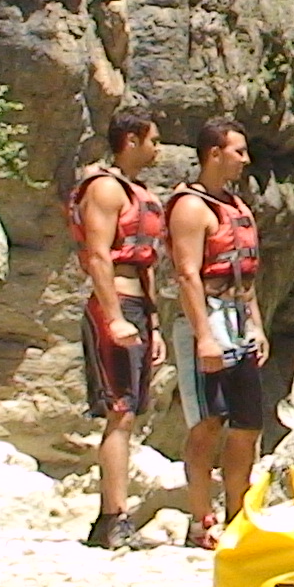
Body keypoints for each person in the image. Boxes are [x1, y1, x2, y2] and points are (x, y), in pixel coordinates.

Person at [166, 118, 266, 549]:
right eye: (238, 151)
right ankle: (199, 519)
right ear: (214, 154)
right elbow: (187, 273)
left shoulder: (238, 208)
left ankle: (238, 515)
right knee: (209, 421)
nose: (245, 160)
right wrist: (203, 336)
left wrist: (258, 324)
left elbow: (248, 273)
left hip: (240, 319)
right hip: (207, 318)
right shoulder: (190, 207)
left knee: (247, 424)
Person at [68, 109, 164, 549]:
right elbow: (99, 255)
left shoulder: (137, 192)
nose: (158, 149)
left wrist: (155, 325)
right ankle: (113, 518)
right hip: (117, 306)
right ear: (130, 139)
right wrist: (113, 316)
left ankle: (112, 517)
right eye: (153, 140)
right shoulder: (105, 189)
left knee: (129, 413)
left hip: (139, 307)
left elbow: (145, 263)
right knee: (119, 412)